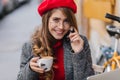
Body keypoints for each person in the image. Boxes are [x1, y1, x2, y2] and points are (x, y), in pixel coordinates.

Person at [17, 0, 95, 80]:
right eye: (56, 20)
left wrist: (78, 52)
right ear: (46, 20)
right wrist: (30, 69)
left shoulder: (80, 42)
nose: (61, 27)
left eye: (66, 21)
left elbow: (88, 78)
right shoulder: (30, 46)